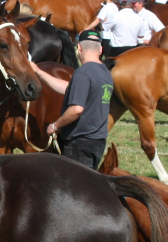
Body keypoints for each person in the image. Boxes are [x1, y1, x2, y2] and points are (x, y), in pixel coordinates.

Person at [31, 30, 114, 168]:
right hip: (97, 141)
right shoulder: (105, 72)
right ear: (100, 49)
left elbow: (76, 109)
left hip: (79, 144)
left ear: (79, 48)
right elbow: (70, 89)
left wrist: (55, 126)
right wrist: (39, 73)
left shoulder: (83, 72)